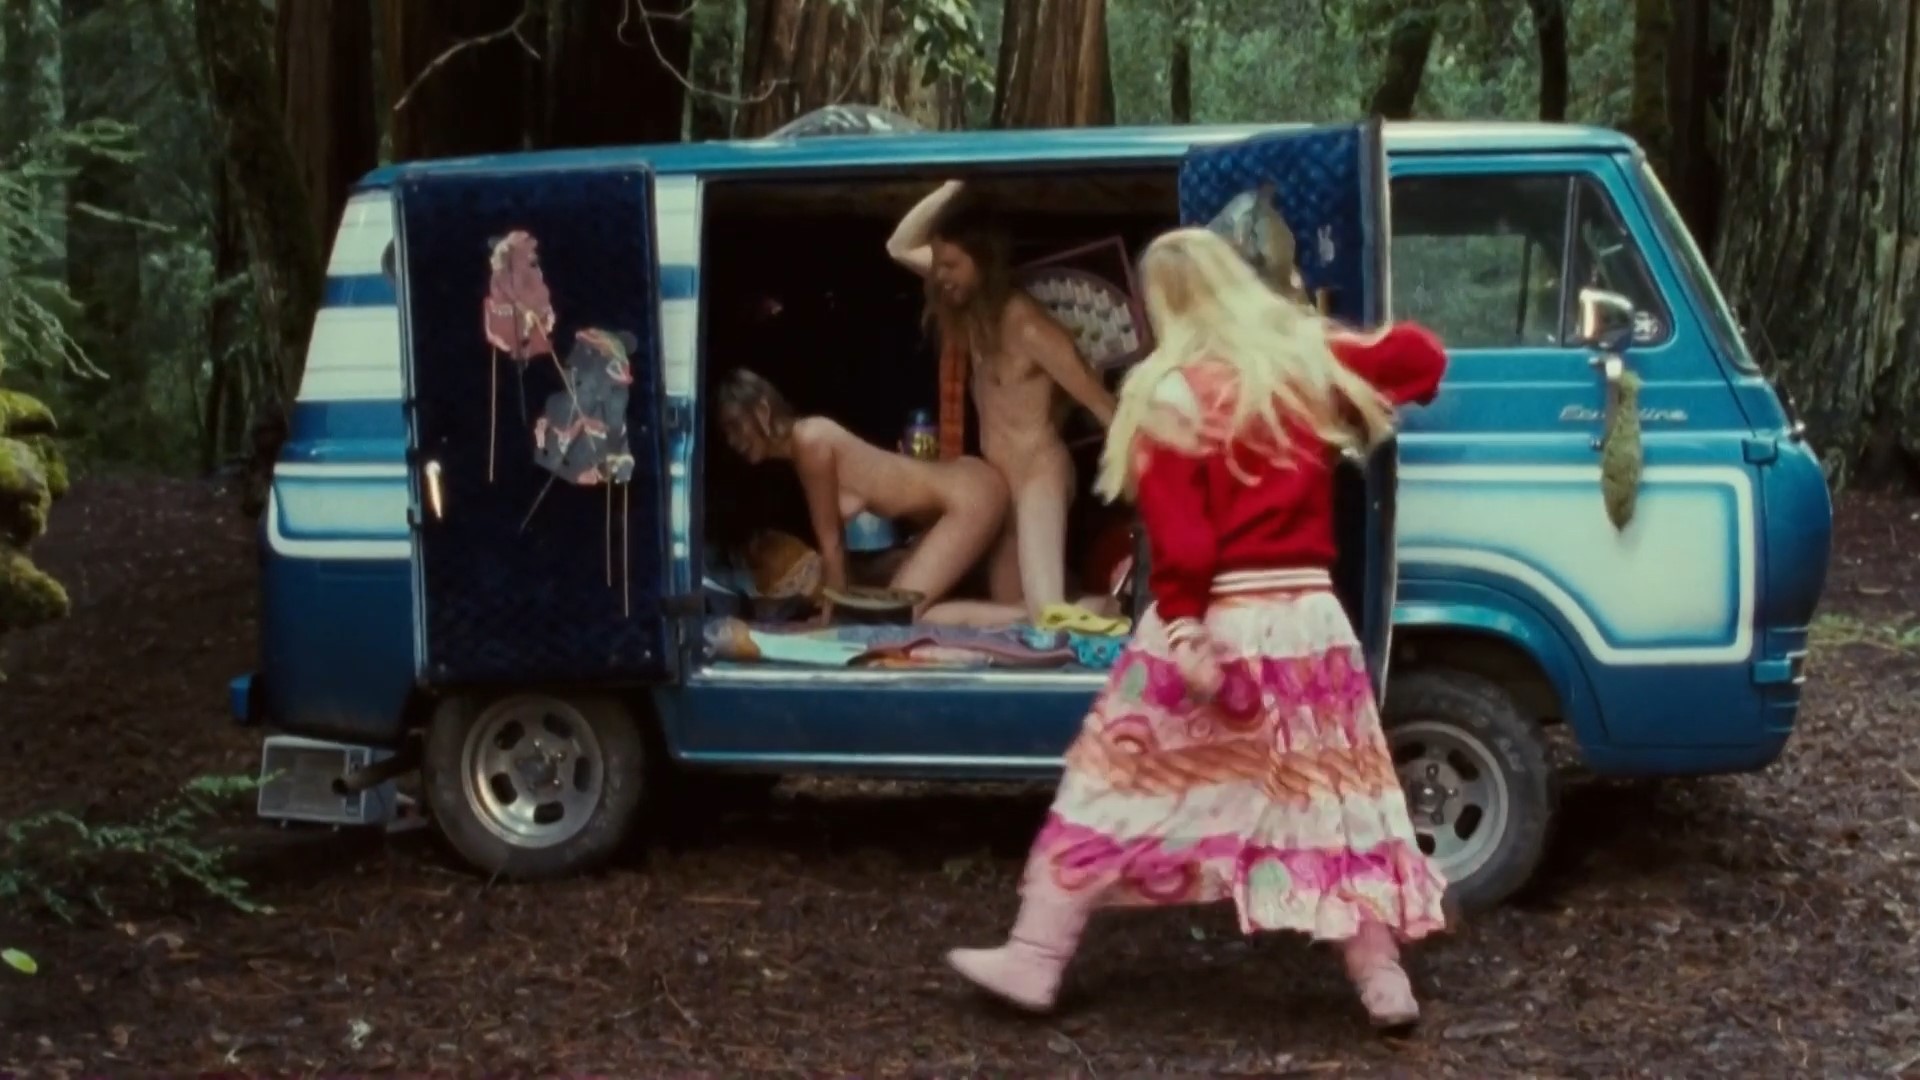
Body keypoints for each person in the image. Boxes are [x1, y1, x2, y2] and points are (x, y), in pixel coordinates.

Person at [944, 227, 1452, 1030]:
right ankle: (1383, 980)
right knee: (1330, 797)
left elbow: (1184, 543)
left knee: (1112, 784)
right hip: (1310, 624)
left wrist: (1182, 628)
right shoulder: (1299, 369)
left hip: (1219, 618)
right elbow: (1423, 358)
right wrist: (1311, 333)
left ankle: (1035, 959)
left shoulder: (1172, 393)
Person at [887, 181, 1117, 623]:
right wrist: (954, 186)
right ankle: (1084, 610)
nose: (940, 275)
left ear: (983, 261)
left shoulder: (1030, 328)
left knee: (1044, 614)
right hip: (996, 482)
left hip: (1038, 475)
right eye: (938, 263)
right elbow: (898, 247)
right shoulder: (969, 303)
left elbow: (1103, 406)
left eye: (951, 264)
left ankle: (1120, 607)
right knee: (1016, 617)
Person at [715, 368, 1008, 620]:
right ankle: (1018, 615)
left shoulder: (809, 440)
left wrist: (831, 623)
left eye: (735, 425)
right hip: (966, 489)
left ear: (763, 411)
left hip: (969, 497)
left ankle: (1024, 618)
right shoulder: (807, 442)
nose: (732, 440)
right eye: (726, 432)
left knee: (896, 619)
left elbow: (832, 545)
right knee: (895, 602)